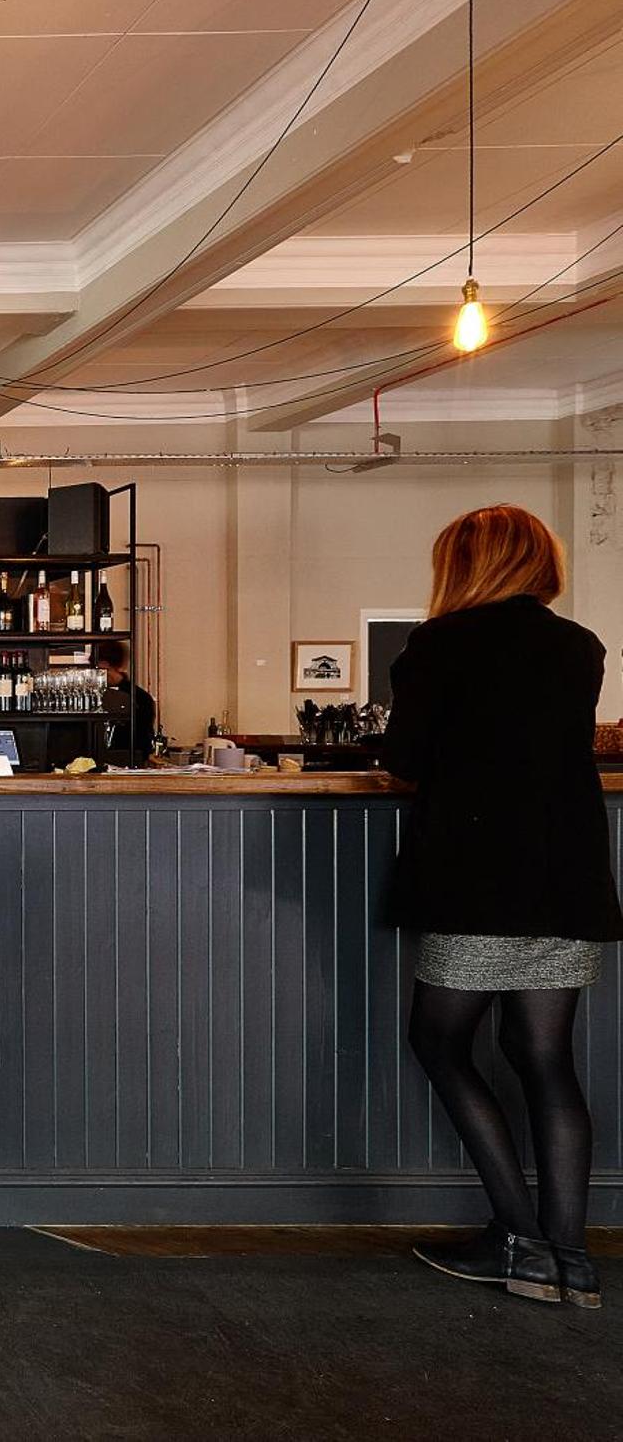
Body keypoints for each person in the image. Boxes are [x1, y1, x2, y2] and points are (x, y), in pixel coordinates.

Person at [383, 504, 621, 1308]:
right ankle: (573, 1262)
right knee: (546, 1060)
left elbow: (408, 759)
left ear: (464, 563)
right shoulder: (578, 645)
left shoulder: (439, 644)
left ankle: (518, 1239)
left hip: (480, 877)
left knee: (441, 1041)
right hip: (569, 878)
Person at [93, 640, 156, 760]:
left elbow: (143, 740)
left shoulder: (139, 698)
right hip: (127, 764)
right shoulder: (141, 697)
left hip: (126, 763)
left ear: (104, 665)